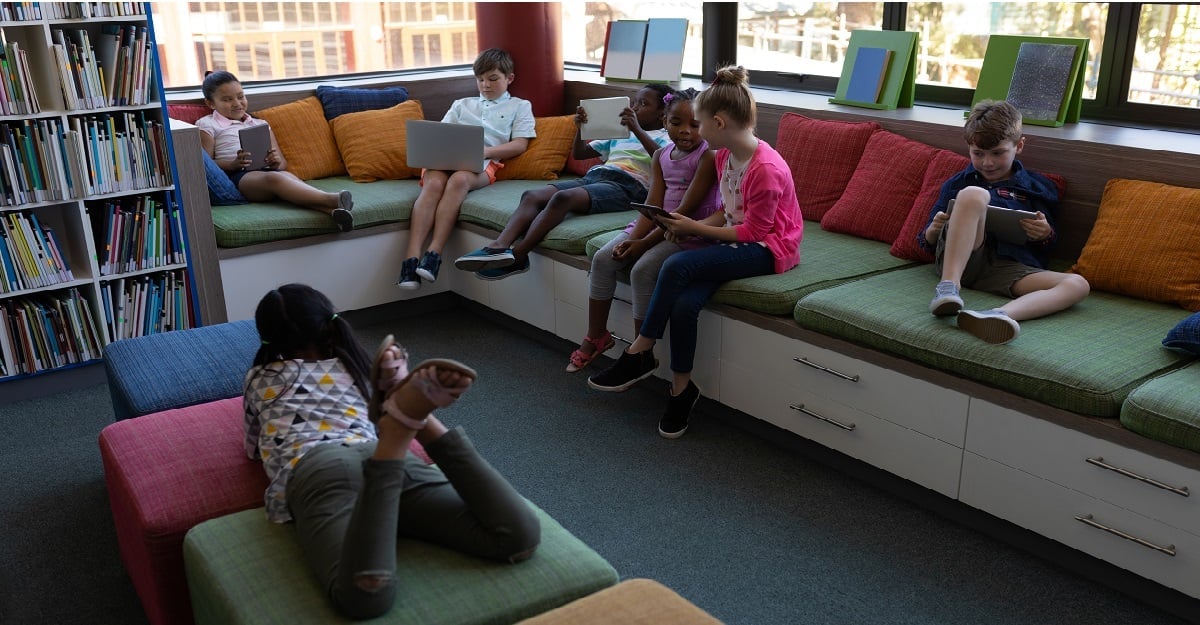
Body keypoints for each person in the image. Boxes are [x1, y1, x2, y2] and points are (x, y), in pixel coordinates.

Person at [242, 284, 539, 619]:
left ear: (268, 339)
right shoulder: (353, 367)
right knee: (518, 537)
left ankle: (399, 427)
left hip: (318, 468)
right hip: (376, 451)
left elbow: (252, 449)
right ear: (329, 324)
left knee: (364, 597)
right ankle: (413, 418)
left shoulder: (258, 378)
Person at [587, 66, 803, 439]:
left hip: (769, 248)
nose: (698, 132)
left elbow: (756, 231)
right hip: (735, 239)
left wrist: (692, 229)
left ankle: (639, 352)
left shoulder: (765, 168)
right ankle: (681, 390)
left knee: (676, 265)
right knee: (686, 304)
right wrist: (685, 224)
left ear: (718, 122)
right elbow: (728, 210)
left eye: (700, 124)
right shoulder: (723, 157)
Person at [566, 88, 719, 373]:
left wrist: (642, 244)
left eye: (695, 125)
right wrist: (633, 237)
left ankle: (640, 352)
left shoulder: (707, 157)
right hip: (659, 224)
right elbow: (653, 204)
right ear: (665, 122)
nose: (685, 131)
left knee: (642, 269)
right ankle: (596, 336)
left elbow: (683, 212)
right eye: (677, 124)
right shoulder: (661, 154)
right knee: (603, 257)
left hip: (690, 232)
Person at [453, 83, 673, 280]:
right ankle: (499, 246)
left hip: (628, 186)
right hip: (596, 176)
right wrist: (581, 129)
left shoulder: (665, 137)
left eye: (643, 104)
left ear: (662, 112)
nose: (634, 108)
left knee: (562, 197)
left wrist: (637, 129)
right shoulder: (620, 132)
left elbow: (663, 162)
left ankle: (519, 255)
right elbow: (580, 153)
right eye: (634, 103)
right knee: (531, 195)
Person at [921, 100, 1089, 345]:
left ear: (1019, 145)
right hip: (962, 261)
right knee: (973, 194)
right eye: (978, 154)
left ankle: (996, 315)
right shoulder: (957, 183)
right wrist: (933, 231)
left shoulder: (1038, 188)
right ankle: (947, 289)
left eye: (998, 153)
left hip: (1007, 269)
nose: (987, 163)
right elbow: (924, 243)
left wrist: (1044, 234)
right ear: (968, 148)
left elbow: (1049, 246)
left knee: (1078, 284)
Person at [398, 48, 537, 290]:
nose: (485, 85)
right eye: (481, 79)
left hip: (483, 163)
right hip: (444, 159)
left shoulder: (520, 106)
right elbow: (440, 134)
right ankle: (410, 260)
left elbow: (520, 144)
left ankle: (434, 255)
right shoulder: (462, 104)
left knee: (459, 181)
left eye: (493, 79)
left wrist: (485, 152)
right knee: (433, 184)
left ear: (509, 78)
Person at [197, 71, 355, 232]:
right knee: (275, 178)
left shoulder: (259, 124)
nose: (237, 103)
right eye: (227, 99)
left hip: (266, 172)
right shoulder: (208, 124)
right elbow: (204, 165)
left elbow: (282, 164)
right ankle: (332, 198)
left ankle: (333, 212)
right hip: (237, 178)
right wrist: (232, 164)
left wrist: (275, 161)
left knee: (286, 176)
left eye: (240, 96)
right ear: (211, 103)